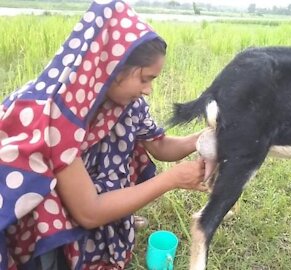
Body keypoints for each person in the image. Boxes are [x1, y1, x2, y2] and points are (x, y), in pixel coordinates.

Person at [0, 0, 207, 269]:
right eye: (144, 79)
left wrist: (203, 138)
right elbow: (89, 212)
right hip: (33, 213)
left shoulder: (126, 103)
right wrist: (172, 179)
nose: (148, 90)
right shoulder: (58, 115)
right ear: (112, 66)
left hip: (80, 196)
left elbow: (160, 145)